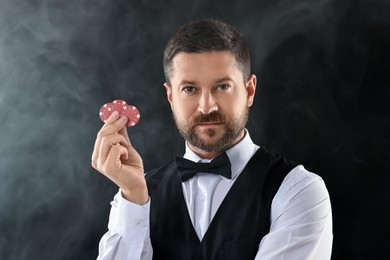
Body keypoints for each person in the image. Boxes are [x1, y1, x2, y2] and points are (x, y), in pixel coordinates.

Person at [92, 18, 333, 260]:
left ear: (249, 91)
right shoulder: (135, 195)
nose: (206, 107)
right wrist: (133, 196)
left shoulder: (298, 190)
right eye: (189, 89)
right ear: (170, 96)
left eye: (222, 87)